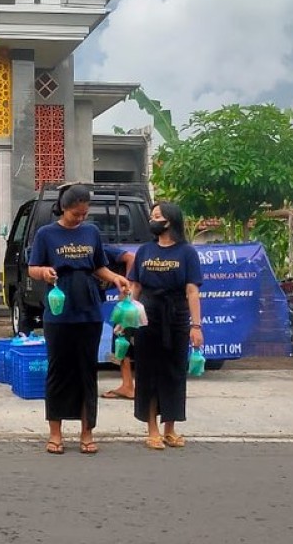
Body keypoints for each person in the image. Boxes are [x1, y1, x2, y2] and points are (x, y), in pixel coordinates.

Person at [27, 183, 132, 455]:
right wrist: (45, 272)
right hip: (59, 311)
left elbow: (98, 266)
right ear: (64, 208)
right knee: (59, 371)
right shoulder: (46, 234)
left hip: (89, 310)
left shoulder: (91, 232)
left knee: (87, 371)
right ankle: (55, 433)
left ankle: (87, 433)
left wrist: (116, 278)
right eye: (76, 213)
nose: (81, 218)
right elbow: (32, 268)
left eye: (84, 213)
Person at [128, 201, 203, 450]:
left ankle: (169, 429)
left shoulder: (187, 252)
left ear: (169, 221)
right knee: (148, 374)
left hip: (177, 316)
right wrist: (124, 318)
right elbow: (135, 287)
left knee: (174, 373)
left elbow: (192, 291)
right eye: (152, 216)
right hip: (147, 317)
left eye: (157, 216)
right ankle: (152, 429)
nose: (152, 219)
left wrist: (196, 326)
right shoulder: (145, 250)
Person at [103, 245, 136, 401]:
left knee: (122, 338)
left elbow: (131, 257)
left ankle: (129, 387)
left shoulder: (103, 249)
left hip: (131, 299)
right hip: (126, 301)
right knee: (120, 340)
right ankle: (127, 384)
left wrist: (127, 287)